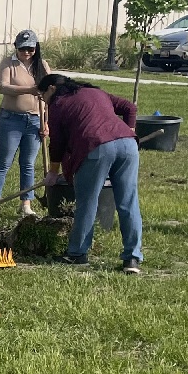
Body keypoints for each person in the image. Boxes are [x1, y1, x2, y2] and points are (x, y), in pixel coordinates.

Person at [37, 74, 143, 274]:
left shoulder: (58, 104)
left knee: (87, 201)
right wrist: (128, 130)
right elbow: (130, 107)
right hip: (129, 145)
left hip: (96, 148)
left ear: (51, 88)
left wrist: (52, 173)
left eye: (42, 94)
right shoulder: (96, 92)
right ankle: (132, 259)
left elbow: (57, 143)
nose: (43, 99)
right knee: (128, 202)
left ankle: (78, 254)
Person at [0, 29, 50, 216]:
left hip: (35, 120)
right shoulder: (9, 63)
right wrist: (29, 90)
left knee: (28, 163)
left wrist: (46, 122)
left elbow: (50, 95)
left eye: (30, 49)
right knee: (5, 161)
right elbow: (4, 87)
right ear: (16, 47)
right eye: (23, 48)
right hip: (11, 119)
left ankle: (26, 204)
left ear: (36, 48)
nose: (26, 52)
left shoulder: (42, 66)